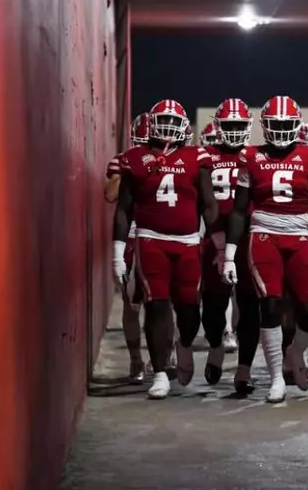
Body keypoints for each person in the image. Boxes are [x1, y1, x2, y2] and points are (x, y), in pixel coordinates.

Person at [223, 95, 308, 403]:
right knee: (269, 305)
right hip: (263, 235)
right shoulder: (250, 156)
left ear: (296, 124)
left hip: (299, 234)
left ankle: (294, 350)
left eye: (287, 124)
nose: (282, 130)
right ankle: (275, 378)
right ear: (265, 126)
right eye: (276, 124)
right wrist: (230, 254)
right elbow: (238, 209)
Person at [113, 99, 218, 399]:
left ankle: (184, 345)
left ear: (184, 127)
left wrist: (222, 245)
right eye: (164, 122)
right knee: (156, 305)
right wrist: (117, 250)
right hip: (150, 239)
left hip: (187, 242)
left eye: (175, 123)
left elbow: (209, 204)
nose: (169, 129)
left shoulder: (197, 156)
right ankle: (160, 372)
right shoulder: (135, 157)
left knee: (188, 310)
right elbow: (124, 208)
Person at [201, 99, 253, 386]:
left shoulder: (257, 156)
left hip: (249, 241)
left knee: (248, 305)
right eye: (229, 125)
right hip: (213, 239)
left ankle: (244, 368)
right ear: (218, 126)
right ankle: (216, 346)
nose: (234, 131)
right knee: (212, 306)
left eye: (239, 125)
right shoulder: (204, 156)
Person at [104, 113, 151, 383]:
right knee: (132, 304)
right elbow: (110, 195)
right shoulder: (122, 161)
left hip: (159, 233)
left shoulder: (170, 160)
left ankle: (164, 356)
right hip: (132, 236)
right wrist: (128, 171)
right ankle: (135, 358)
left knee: (163, 303)